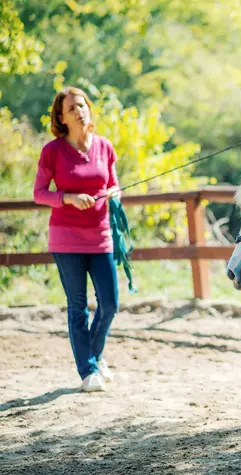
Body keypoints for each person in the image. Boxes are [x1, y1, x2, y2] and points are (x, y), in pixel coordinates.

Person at [33, 87, 121, 391]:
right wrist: (68, 198)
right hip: (66, 240)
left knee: (110, 304)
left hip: (101, 237)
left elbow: (114, 184)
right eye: (71, 108)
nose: (79, 111)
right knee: (78, 306)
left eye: (81, 105)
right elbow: (39, 193)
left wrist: (113, 193)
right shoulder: (53, 151)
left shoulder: (105, 146)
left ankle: (94, 356)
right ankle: (87, 372)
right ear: (61, 116)